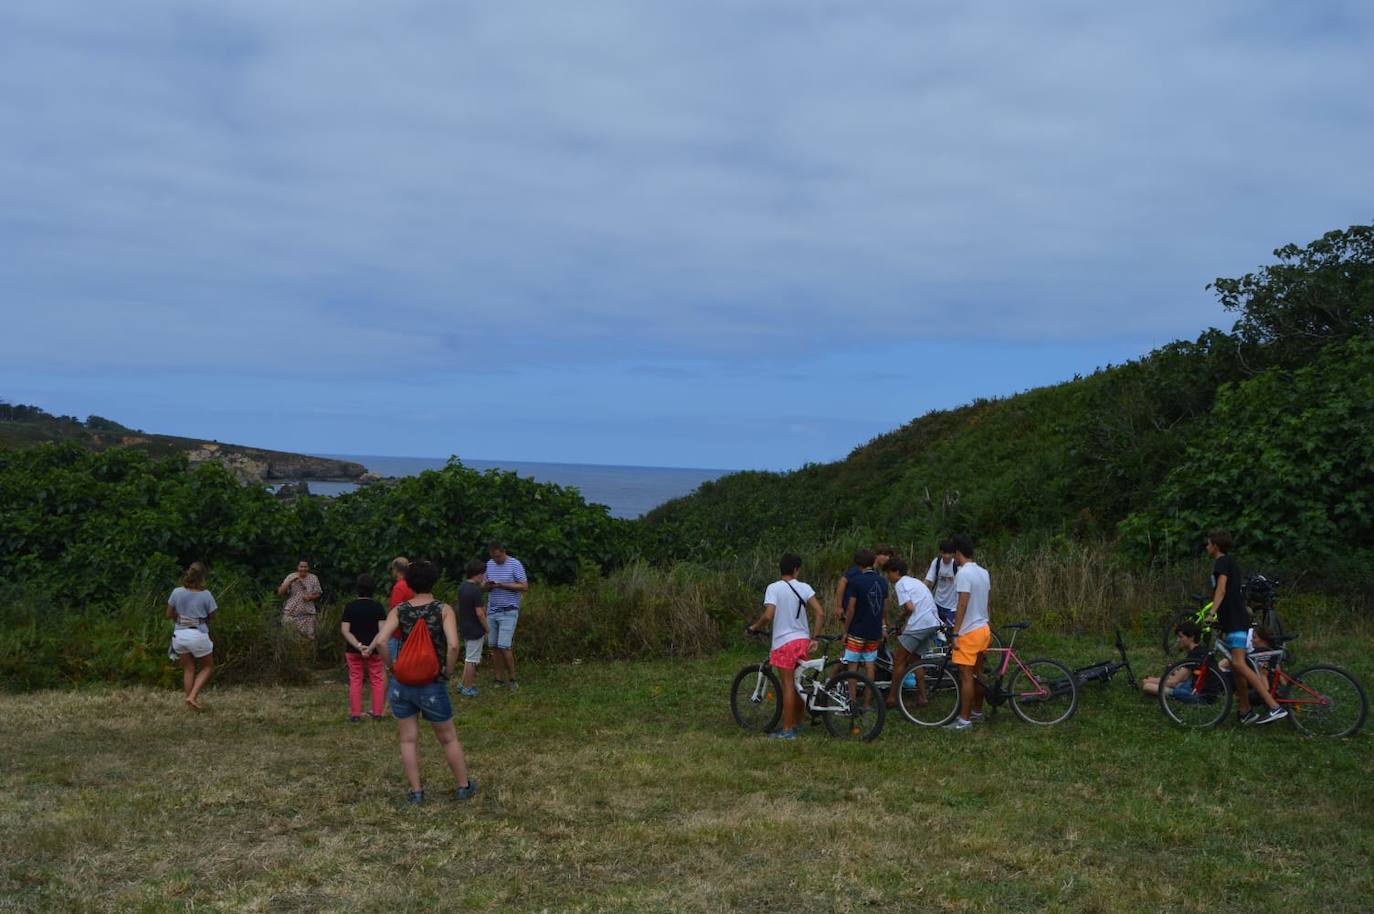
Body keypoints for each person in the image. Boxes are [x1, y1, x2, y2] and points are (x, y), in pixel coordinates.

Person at [368, 560, 477, 803]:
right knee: (448, 737)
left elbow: (383, 641)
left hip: (402, 682)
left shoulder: (399, 610)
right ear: (434, 580)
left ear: (408, 582)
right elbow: (454, 645)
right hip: (431, 683)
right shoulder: (443, 609)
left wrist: (392, 667)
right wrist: (447, 671)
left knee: (408, 739)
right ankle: (463, 786)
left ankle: (416, 792)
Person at [1206, 530, 1286, 725]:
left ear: (1216, 545)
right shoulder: (1228, 562)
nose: (1206, 547)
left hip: (1236, 620)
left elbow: (1222, 589)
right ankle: (1245, 710)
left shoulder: (1222, 561)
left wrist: (1211, 613)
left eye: (1208, 544)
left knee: (1239, 663)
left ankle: (1274, 707)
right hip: (1232, 619)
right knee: (1236, 667)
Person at [746, 553, 825, 740]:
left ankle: (788, 729)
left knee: (788, 685)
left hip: (784, 643)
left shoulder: (773, 588)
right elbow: (820, 613)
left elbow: (768, 615)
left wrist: (754, 627)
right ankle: (798, 723)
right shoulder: (804, 587)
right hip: (802, 641)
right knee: (798, 684)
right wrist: (815, 637)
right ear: (796, 569)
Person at [944, 535, 991, 731]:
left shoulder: (963, 574)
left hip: (969, 632)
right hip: (983, 628)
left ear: (958, 553)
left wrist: (955, 632)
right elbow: (988, 602)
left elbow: (962, 602)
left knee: (966, 677)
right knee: (978, 674)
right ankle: (977, 712)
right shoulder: (983, 572)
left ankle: (964, 720)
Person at [883, 558, 941, 709]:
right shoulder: (915, 582)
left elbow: (910, 608)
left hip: (920, 623)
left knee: (899, 659)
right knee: (916, 659)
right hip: (933, 622)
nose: (888, 577)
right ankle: (922, 697)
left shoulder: (900, 584)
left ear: (896, 572)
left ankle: (892, 698)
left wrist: (900, 620)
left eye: (888, 573)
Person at [166, 562, 216, 710]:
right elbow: (212, 616)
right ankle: (193, 696)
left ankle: (190, 702)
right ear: (202, 578)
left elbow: (168, 614)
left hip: (179, 635)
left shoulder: (176, 592)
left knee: (188, 668)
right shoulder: (206, 595)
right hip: (198, 633)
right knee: (207, 666)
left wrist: (179, 618)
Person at [840, 548, 887, 703]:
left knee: (852, 667)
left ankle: (852, 701)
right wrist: (883, 626)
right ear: (872, 562)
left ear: (858, 564)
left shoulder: (856, 582)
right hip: (874, 631)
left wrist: (845, 630)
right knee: (870, 666)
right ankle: (867, 703)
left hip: (857, 630)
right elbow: (882, 607)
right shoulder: (882, 581)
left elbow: (851, 608)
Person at [341, 573, 387, 721]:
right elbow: (382, 631)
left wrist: (359, 646)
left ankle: (355, 715)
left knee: (355, 680)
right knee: (377, 679)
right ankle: (378, 713)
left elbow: (345, 630)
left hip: (353, 651)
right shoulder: (378, 607)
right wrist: (371, 647)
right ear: (373, 589)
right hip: (375, 651)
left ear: (357, 589)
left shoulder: (350, 607)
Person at [484, 541, 528, 690]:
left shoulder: (515, 564)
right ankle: (498, 679)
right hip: (492, 610)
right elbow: (483, 585)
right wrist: (487, 586)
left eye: (498, 557)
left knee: (504, 646)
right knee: (494, 647)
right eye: (493, 557)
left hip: (509, 610)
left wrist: (503, 585)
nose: (496, 560)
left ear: (503, 551)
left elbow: (524, 586)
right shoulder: (489, 564)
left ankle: (513, 679)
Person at [1141, 621, 1208, 698]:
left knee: (1147, 686)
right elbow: (1184, 677)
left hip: (1196, 694)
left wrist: (1149, 681)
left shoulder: (1194, 655)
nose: (1177, 640)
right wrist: (1153, 679)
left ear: (1192, 637)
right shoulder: (1200, 650)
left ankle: (1173, 695)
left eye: (1181, 637)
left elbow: (1173, 682)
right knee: (1168, 678)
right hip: (1196, 687)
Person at [833, 544, 893, 622]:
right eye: (884, 555)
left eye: (889, 556)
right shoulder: (861, 568)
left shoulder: (876, 573)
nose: (887, 558)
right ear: (876, 556)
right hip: (851, 610)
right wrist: (839, 606)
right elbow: (842, 582)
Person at [456, 559, 489, 697]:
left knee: (468, 658)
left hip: (465, 626)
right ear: (478, 574)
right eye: (483, 574)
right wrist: (487, 629)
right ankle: (467, 688)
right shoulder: (475, 591)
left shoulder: (463, 586)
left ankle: (463, 683)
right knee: (472, 660)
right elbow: (480, 613)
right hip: (475, 629)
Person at [277, 559, 323, 638]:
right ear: (297, 567)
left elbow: (319, 593)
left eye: (305, 567)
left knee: (309, 640)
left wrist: (310, 597)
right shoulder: (291, 576)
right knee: (290, 639)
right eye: (301, 566)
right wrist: (290, 582)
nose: (303, 569)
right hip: (291, 614)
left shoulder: (313, 578)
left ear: (308, 568)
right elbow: (280, 592)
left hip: (308, 615)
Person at [924, 539, 960, 628]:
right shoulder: (937, 562)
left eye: (950, 553)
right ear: (940, 552)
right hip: (937, 603)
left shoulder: (957, 566)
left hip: (952, 606)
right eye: (944, 553)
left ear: (953, 554)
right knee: (937, 631)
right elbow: (928, 580)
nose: (947, 556)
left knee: (950, 631)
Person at [387, 557, 414, 666]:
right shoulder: (412, 585)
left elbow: (396, 611)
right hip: (411, 631)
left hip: (398, 634)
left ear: (396, 570)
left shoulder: (399, 587)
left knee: (396, 665)